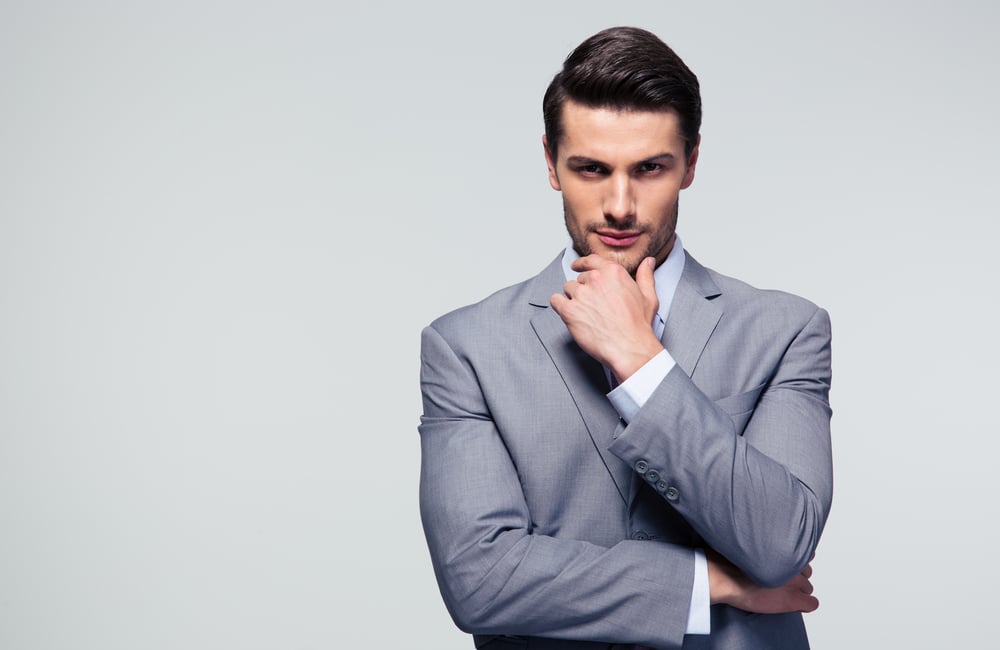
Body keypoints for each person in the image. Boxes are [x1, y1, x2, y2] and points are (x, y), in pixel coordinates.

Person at [418, 26, 832, 649]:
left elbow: (780, 545)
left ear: (691, 164)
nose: (619, 205)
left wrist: (641, 360)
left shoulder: (785, 330)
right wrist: (708, 583)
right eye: (591, 169)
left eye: (649, 169)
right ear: (551, 164)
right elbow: (480, 580)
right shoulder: (466, 347)